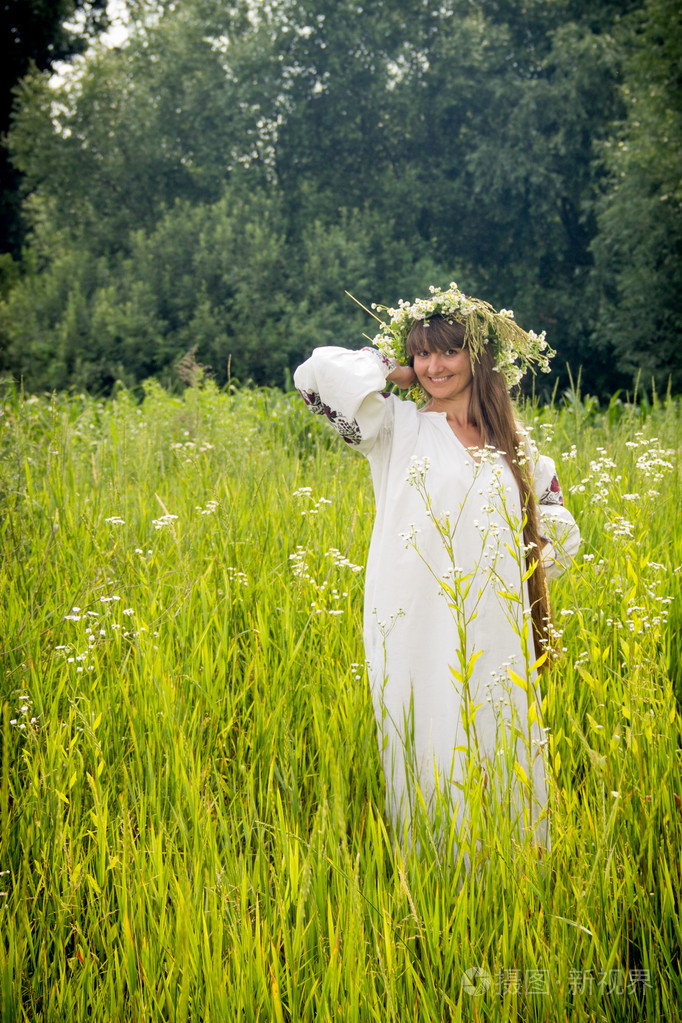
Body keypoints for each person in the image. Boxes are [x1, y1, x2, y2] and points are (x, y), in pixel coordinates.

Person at [293, 283, 580, 845]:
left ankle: (514, 874)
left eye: (447, 350)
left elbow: (560, 532)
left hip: (496, 623)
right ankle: (436, 886)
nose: (433, 365)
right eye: (422, 352)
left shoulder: (515, 445)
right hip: (416, 621)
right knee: (430, 741)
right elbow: (316, 373)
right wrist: (389, 372)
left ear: (478, 357)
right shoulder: (396, 428)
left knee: (503, 741)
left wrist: (519, 551)